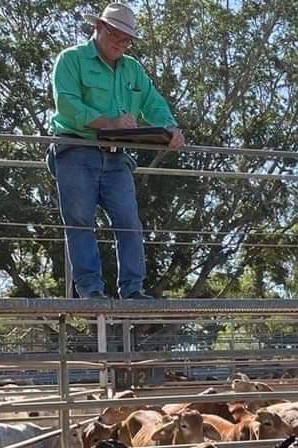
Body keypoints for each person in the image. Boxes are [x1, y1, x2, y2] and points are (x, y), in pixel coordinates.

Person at [47, 2, 185, 300]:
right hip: (76, 148)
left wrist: (171, 126)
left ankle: (133, 289)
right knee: (80, 220)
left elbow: (153, 103)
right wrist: (107, 122)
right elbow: (67, 104)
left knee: (129, 221)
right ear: (98, 28)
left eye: (127, 39)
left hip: (116, 156)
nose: (121, 43)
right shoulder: (71, 59)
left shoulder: (133, 69)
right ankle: (90, 291)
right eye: (116, 35)